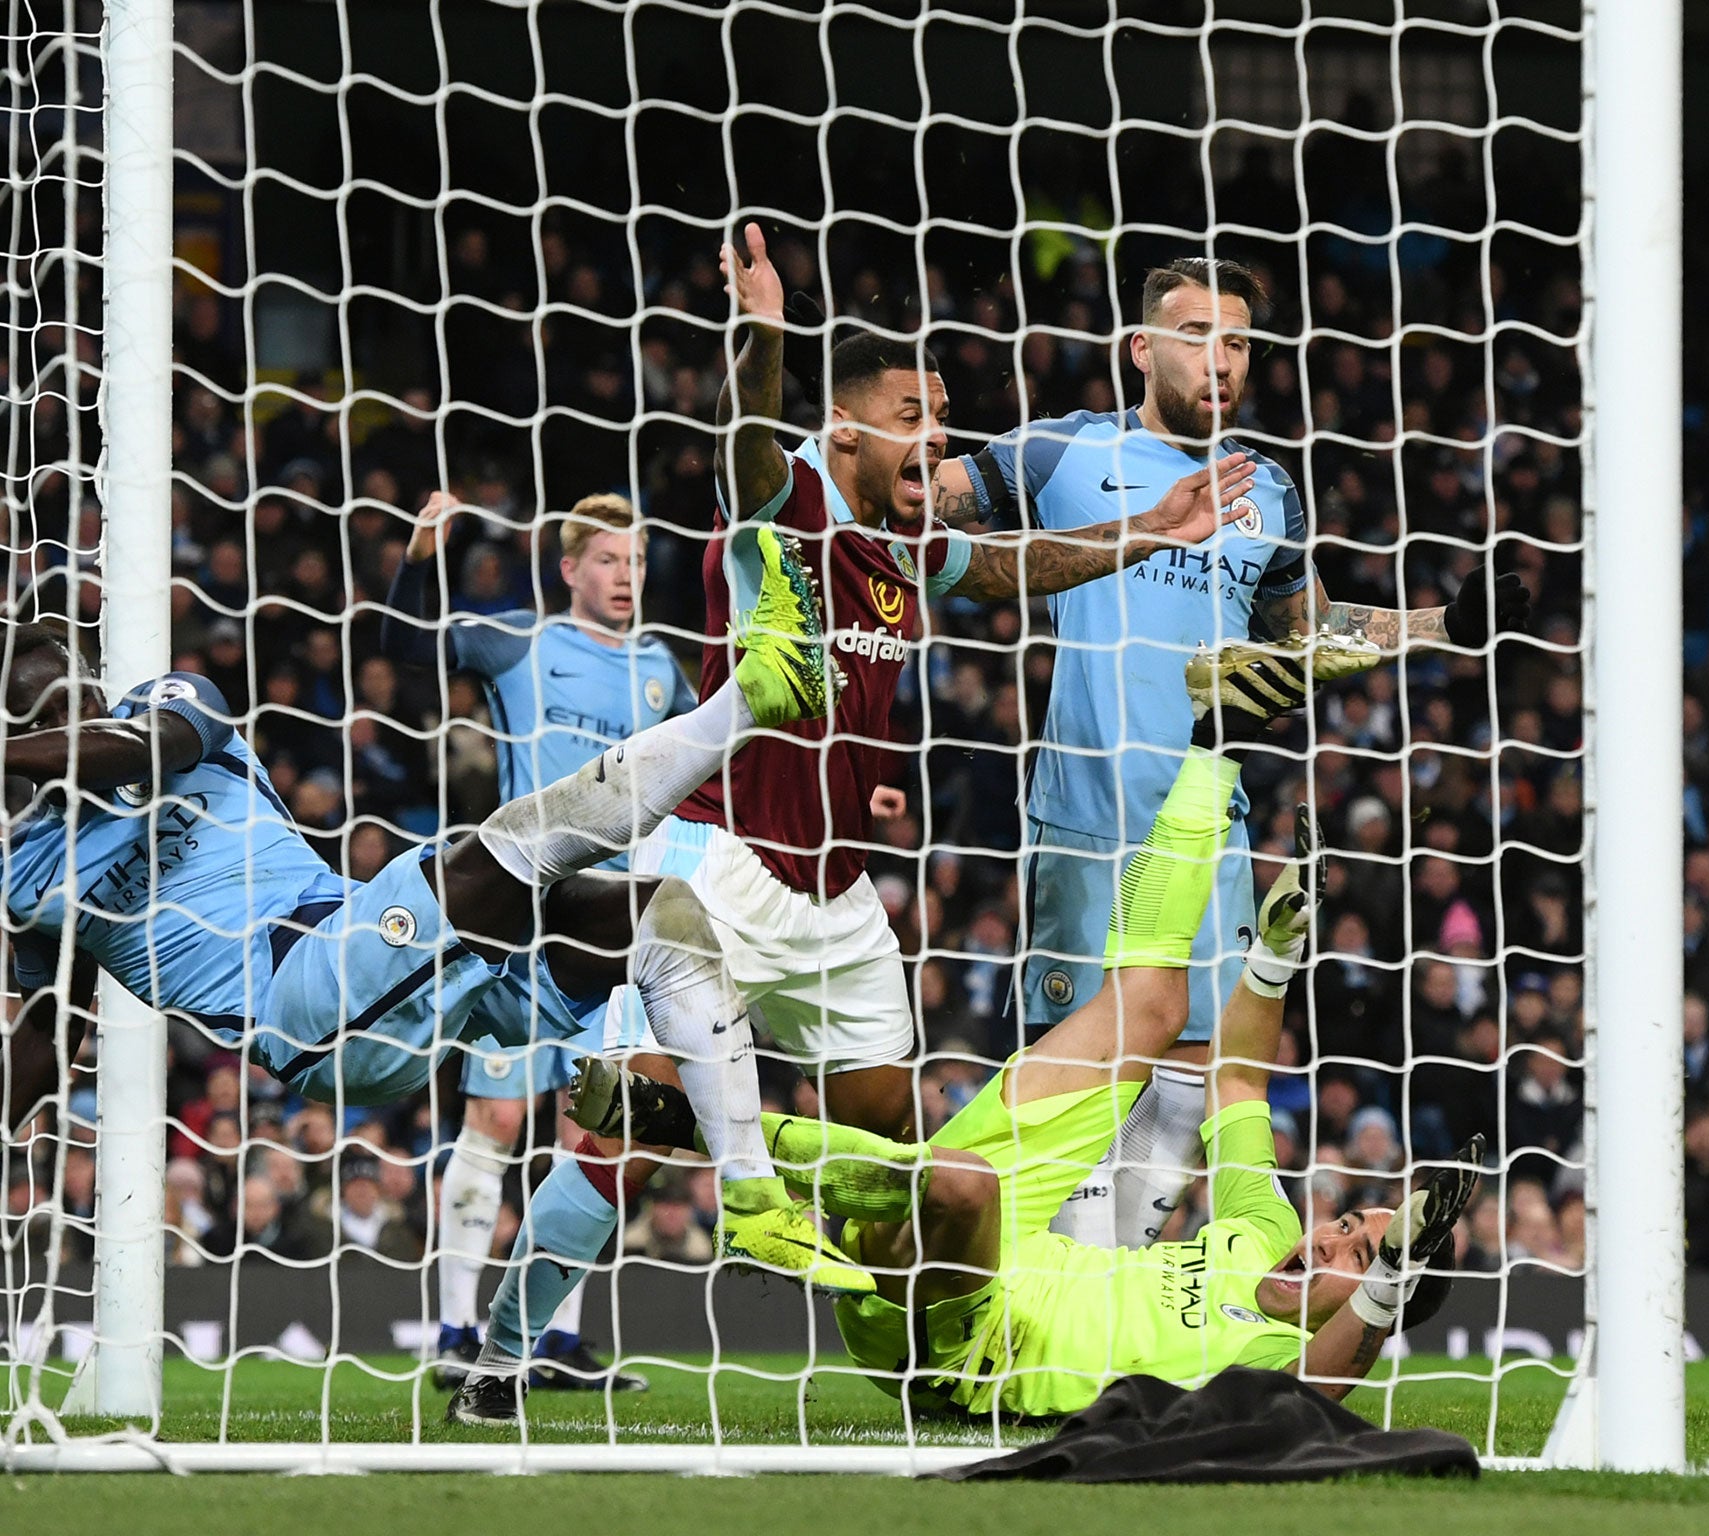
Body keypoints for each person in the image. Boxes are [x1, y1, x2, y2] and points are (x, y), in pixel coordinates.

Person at [442, 223, 1265, 1425]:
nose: (935, 433)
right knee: (631, 1114)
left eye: (938, 412)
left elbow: (1004, 568)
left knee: (896, 1144)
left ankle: (931, 1360)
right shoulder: (788, 503)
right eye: (909, 413)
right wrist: (764, 333)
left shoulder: (911, 538)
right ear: (844, 427)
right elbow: (741, 442)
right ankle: (504, 1357)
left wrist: (1152, 529)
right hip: (718, 871)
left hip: (836, 902)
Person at [572, 634, 1478, 1418]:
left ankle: (709, 1137)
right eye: (1352, 1221)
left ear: (1377, 1301)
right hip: (1000, 1242)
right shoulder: (1260, 1228)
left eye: (1360, 1255)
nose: (1328, 1238)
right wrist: (1272, 962)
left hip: (959, 1346)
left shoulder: (1282, 1368)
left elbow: (1330, 1389)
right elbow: (1238, 1079)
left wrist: (1396, 1273)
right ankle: (1216, 744)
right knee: (1153, 1011)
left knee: (963, 1187)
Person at [2, 528, 865, 1337]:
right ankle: (755, 695)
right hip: (300, 1008)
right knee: (496, 858)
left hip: (368, 951)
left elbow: (143, 747)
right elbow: (51, 1022)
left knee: (656, 912)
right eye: (40, 697)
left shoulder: (171, 704)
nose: (70, 697)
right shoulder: (25, 876)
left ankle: (750, 1198)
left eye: (72, 676)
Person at [928, 256, 1531, 1247]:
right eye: (1196, 334)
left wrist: (1443, 624)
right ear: (1140, 347)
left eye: (1239, 339)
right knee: (1075, 1070)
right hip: (1089, 816)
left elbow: (1308, 629)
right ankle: (1019, 1278)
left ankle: (1105, 1286)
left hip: (1207, 827)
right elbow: (926, 506)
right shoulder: (1064, 452)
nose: (1222, 358)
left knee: (1193, 1072)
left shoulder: (1269, 492)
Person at [384, 489, 693, 1392]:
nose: (625, 575)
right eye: (607, 559)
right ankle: (452, 1328)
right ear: (569, 570)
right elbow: (407, 649)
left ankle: (556, 1340)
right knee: (495, 1116)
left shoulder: (660, 667)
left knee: (597, 1126)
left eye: (635, 560)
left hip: (621, 924)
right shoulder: (520, 640)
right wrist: (422, 556)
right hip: (529, 910)